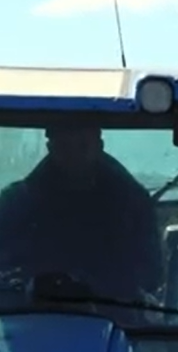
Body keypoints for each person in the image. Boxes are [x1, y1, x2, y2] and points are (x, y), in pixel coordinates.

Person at [0, 124, 162, 302]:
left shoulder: (132, 203)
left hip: (116, 314)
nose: (74, 155)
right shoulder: (17, 203)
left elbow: (149, 274)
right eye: (64, 147)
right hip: (30, 312)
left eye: (83, 146)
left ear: (99, 146)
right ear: (50, 148)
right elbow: (6, 268)